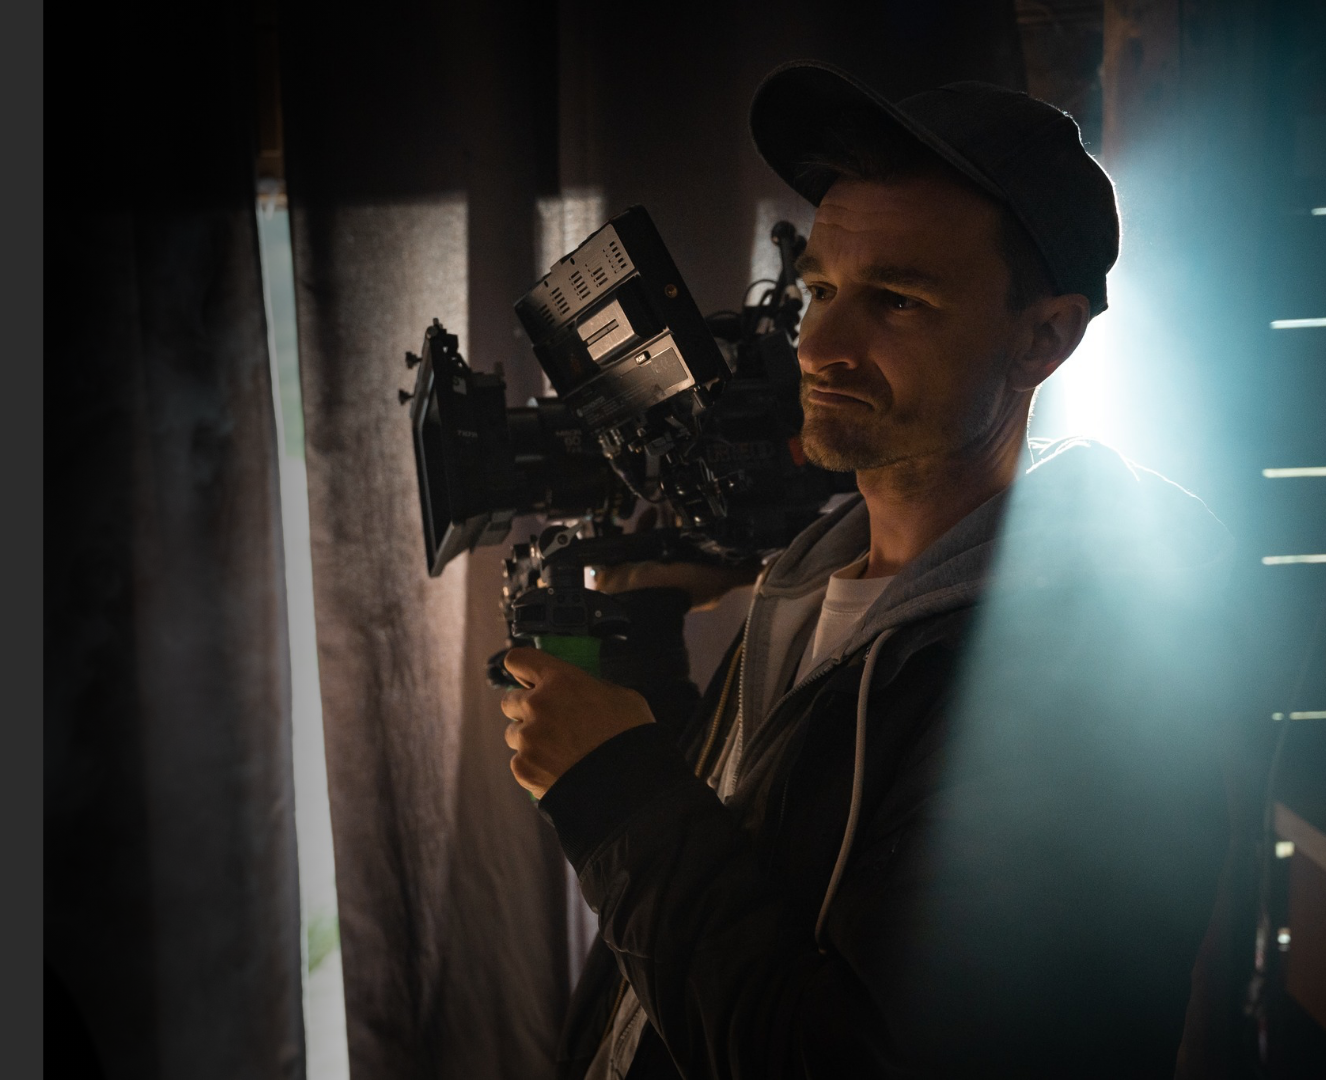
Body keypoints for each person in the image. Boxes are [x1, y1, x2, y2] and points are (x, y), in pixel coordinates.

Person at [501, 62, 1235, 1078]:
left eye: (895, 301)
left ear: (1045, 337)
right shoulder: (813, 583)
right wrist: (647, 672)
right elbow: (756, 867)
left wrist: (613, 791)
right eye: (821, 290)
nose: (820, 345)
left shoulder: (1100, 693)